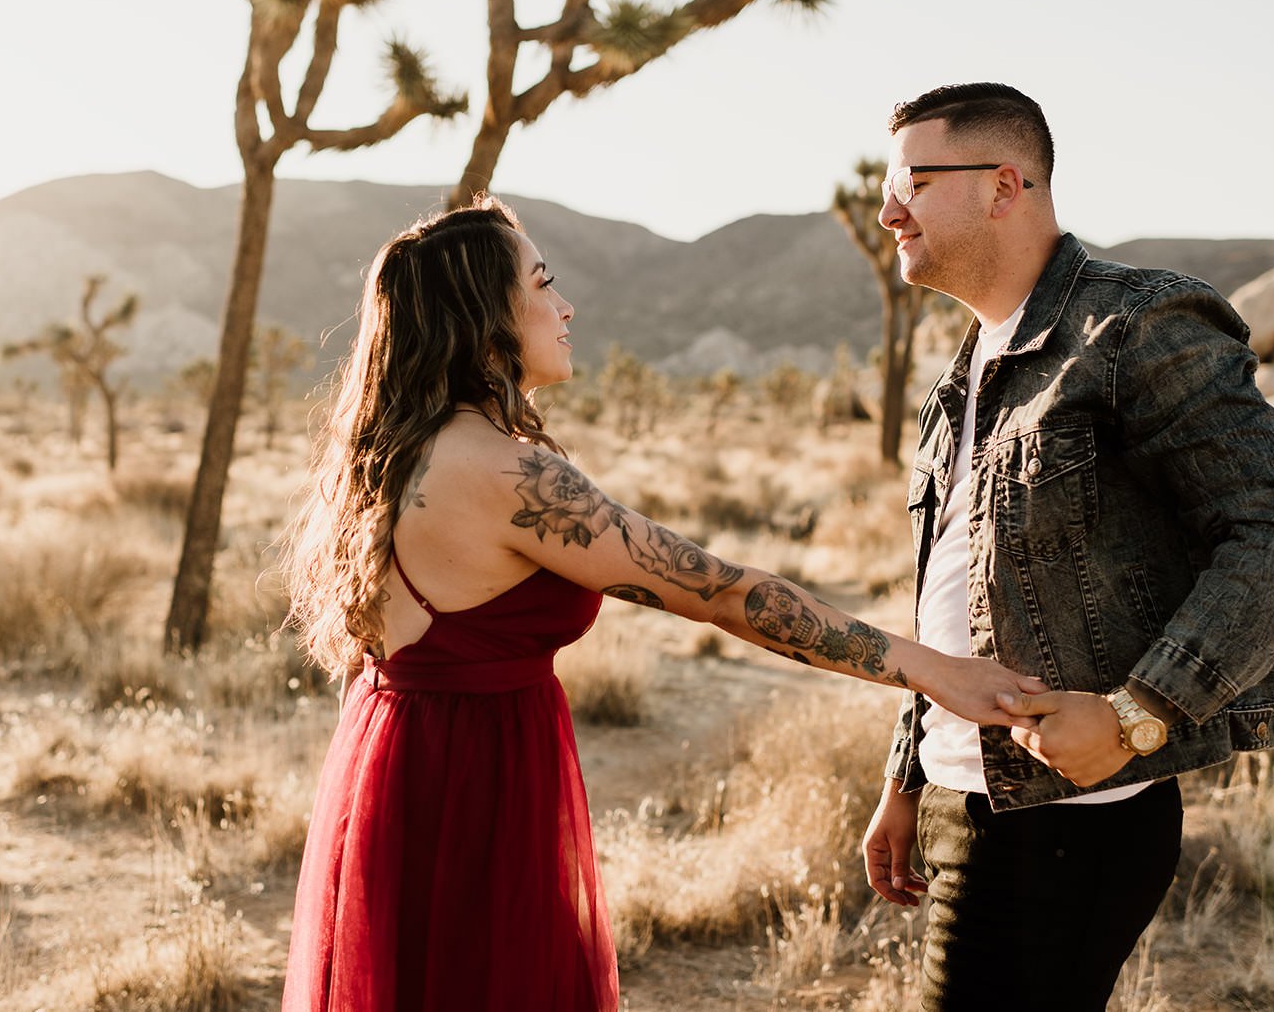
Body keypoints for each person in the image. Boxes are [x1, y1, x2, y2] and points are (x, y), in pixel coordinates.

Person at [277, 197, 1046, 1012]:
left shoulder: (392, 453)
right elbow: (724, 593)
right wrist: (931, 672)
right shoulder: (504, 472)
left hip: (393, 758)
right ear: (483, 315)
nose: (565, 306)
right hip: (472, 778)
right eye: (542, 284)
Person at [858, 82, 1274, 1011]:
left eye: (911, 180)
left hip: (1078, 817)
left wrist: (1137, 715)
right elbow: (954, 591)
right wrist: (908, 773)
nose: (888, 209)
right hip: (973, 800)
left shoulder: (1134, 326)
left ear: (1006, 185)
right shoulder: (963, 378)